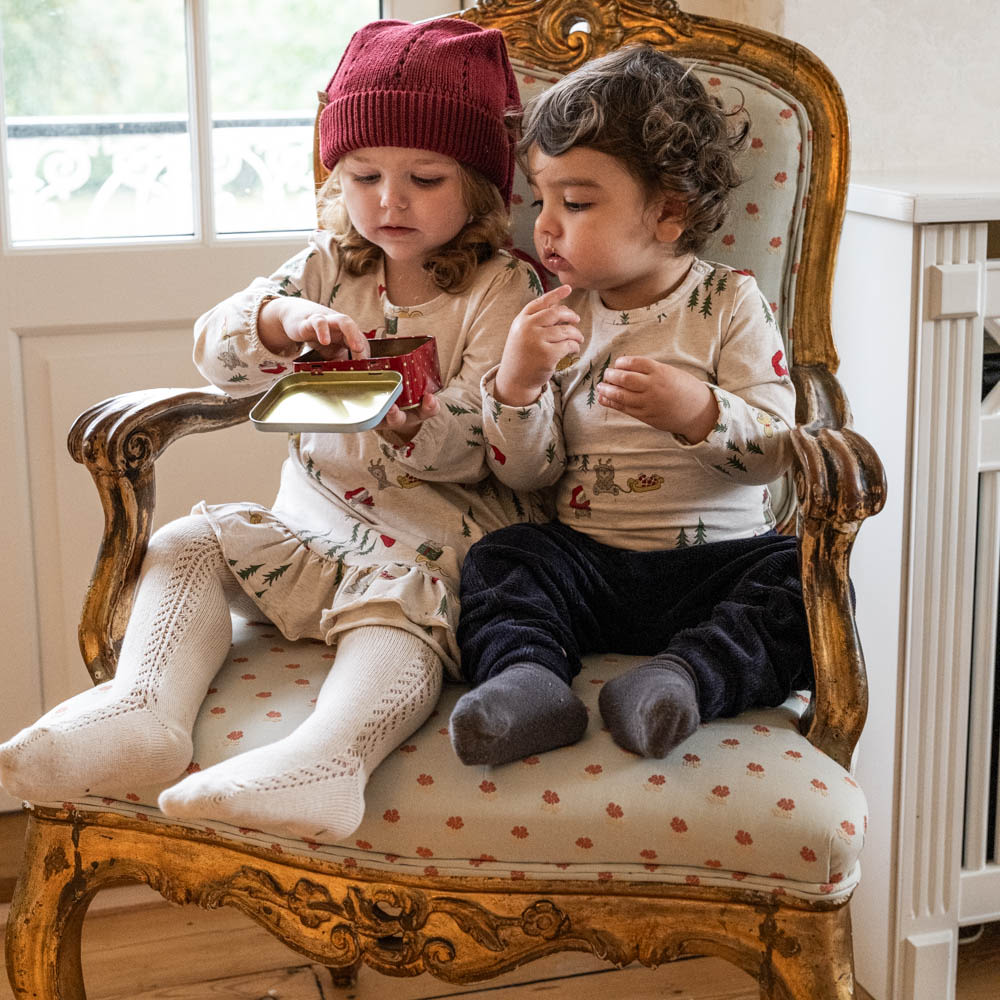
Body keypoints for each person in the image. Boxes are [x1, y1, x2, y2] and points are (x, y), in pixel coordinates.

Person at [0, 18, 542, 841]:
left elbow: (497, 438)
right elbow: (219, 349)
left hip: (426, 547)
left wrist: (412, 421)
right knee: (187, 542)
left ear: (477, 183)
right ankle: (144, 710)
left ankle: (329, 761)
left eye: (424, 178)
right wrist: (278, 322)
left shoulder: (500, 291)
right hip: (306, 530)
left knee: (397, 624)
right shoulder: (328, 263)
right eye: (363, 175)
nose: (389, 200)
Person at [449, 45, 812, 767]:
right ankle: (530, 683)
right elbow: (526, 476)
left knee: (800, 583)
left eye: (576, 202)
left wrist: (698, 411)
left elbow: (777, 451)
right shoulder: (552, 311)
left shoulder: (727, 303)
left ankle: (677, 681)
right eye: (541, 198)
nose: (544, 226)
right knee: (500, 560)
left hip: (717, 564)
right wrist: (517, 386)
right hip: (588, 564)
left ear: (669, 212)